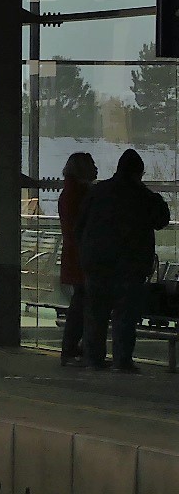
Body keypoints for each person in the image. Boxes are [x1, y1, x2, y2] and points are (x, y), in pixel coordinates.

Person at [79, 148, 171, 372]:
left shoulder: (98, 192)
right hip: (129, 266)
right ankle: (121, 360)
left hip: (97, 263)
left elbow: (79, 224)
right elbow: (162, 220)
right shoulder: (143, 196)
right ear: (138, 172)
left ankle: (93, 358)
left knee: (96, 313)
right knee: (125, 314)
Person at [57, 152, 99, 365]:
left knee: (80, 302)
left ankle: (74, 347)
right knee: (83, 303)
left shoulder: (68, 192)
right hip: (85, 256)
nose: (96, 168)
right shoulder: (82, 194)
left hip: (75, 255)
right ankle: (73, 347)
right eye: (92, 164)